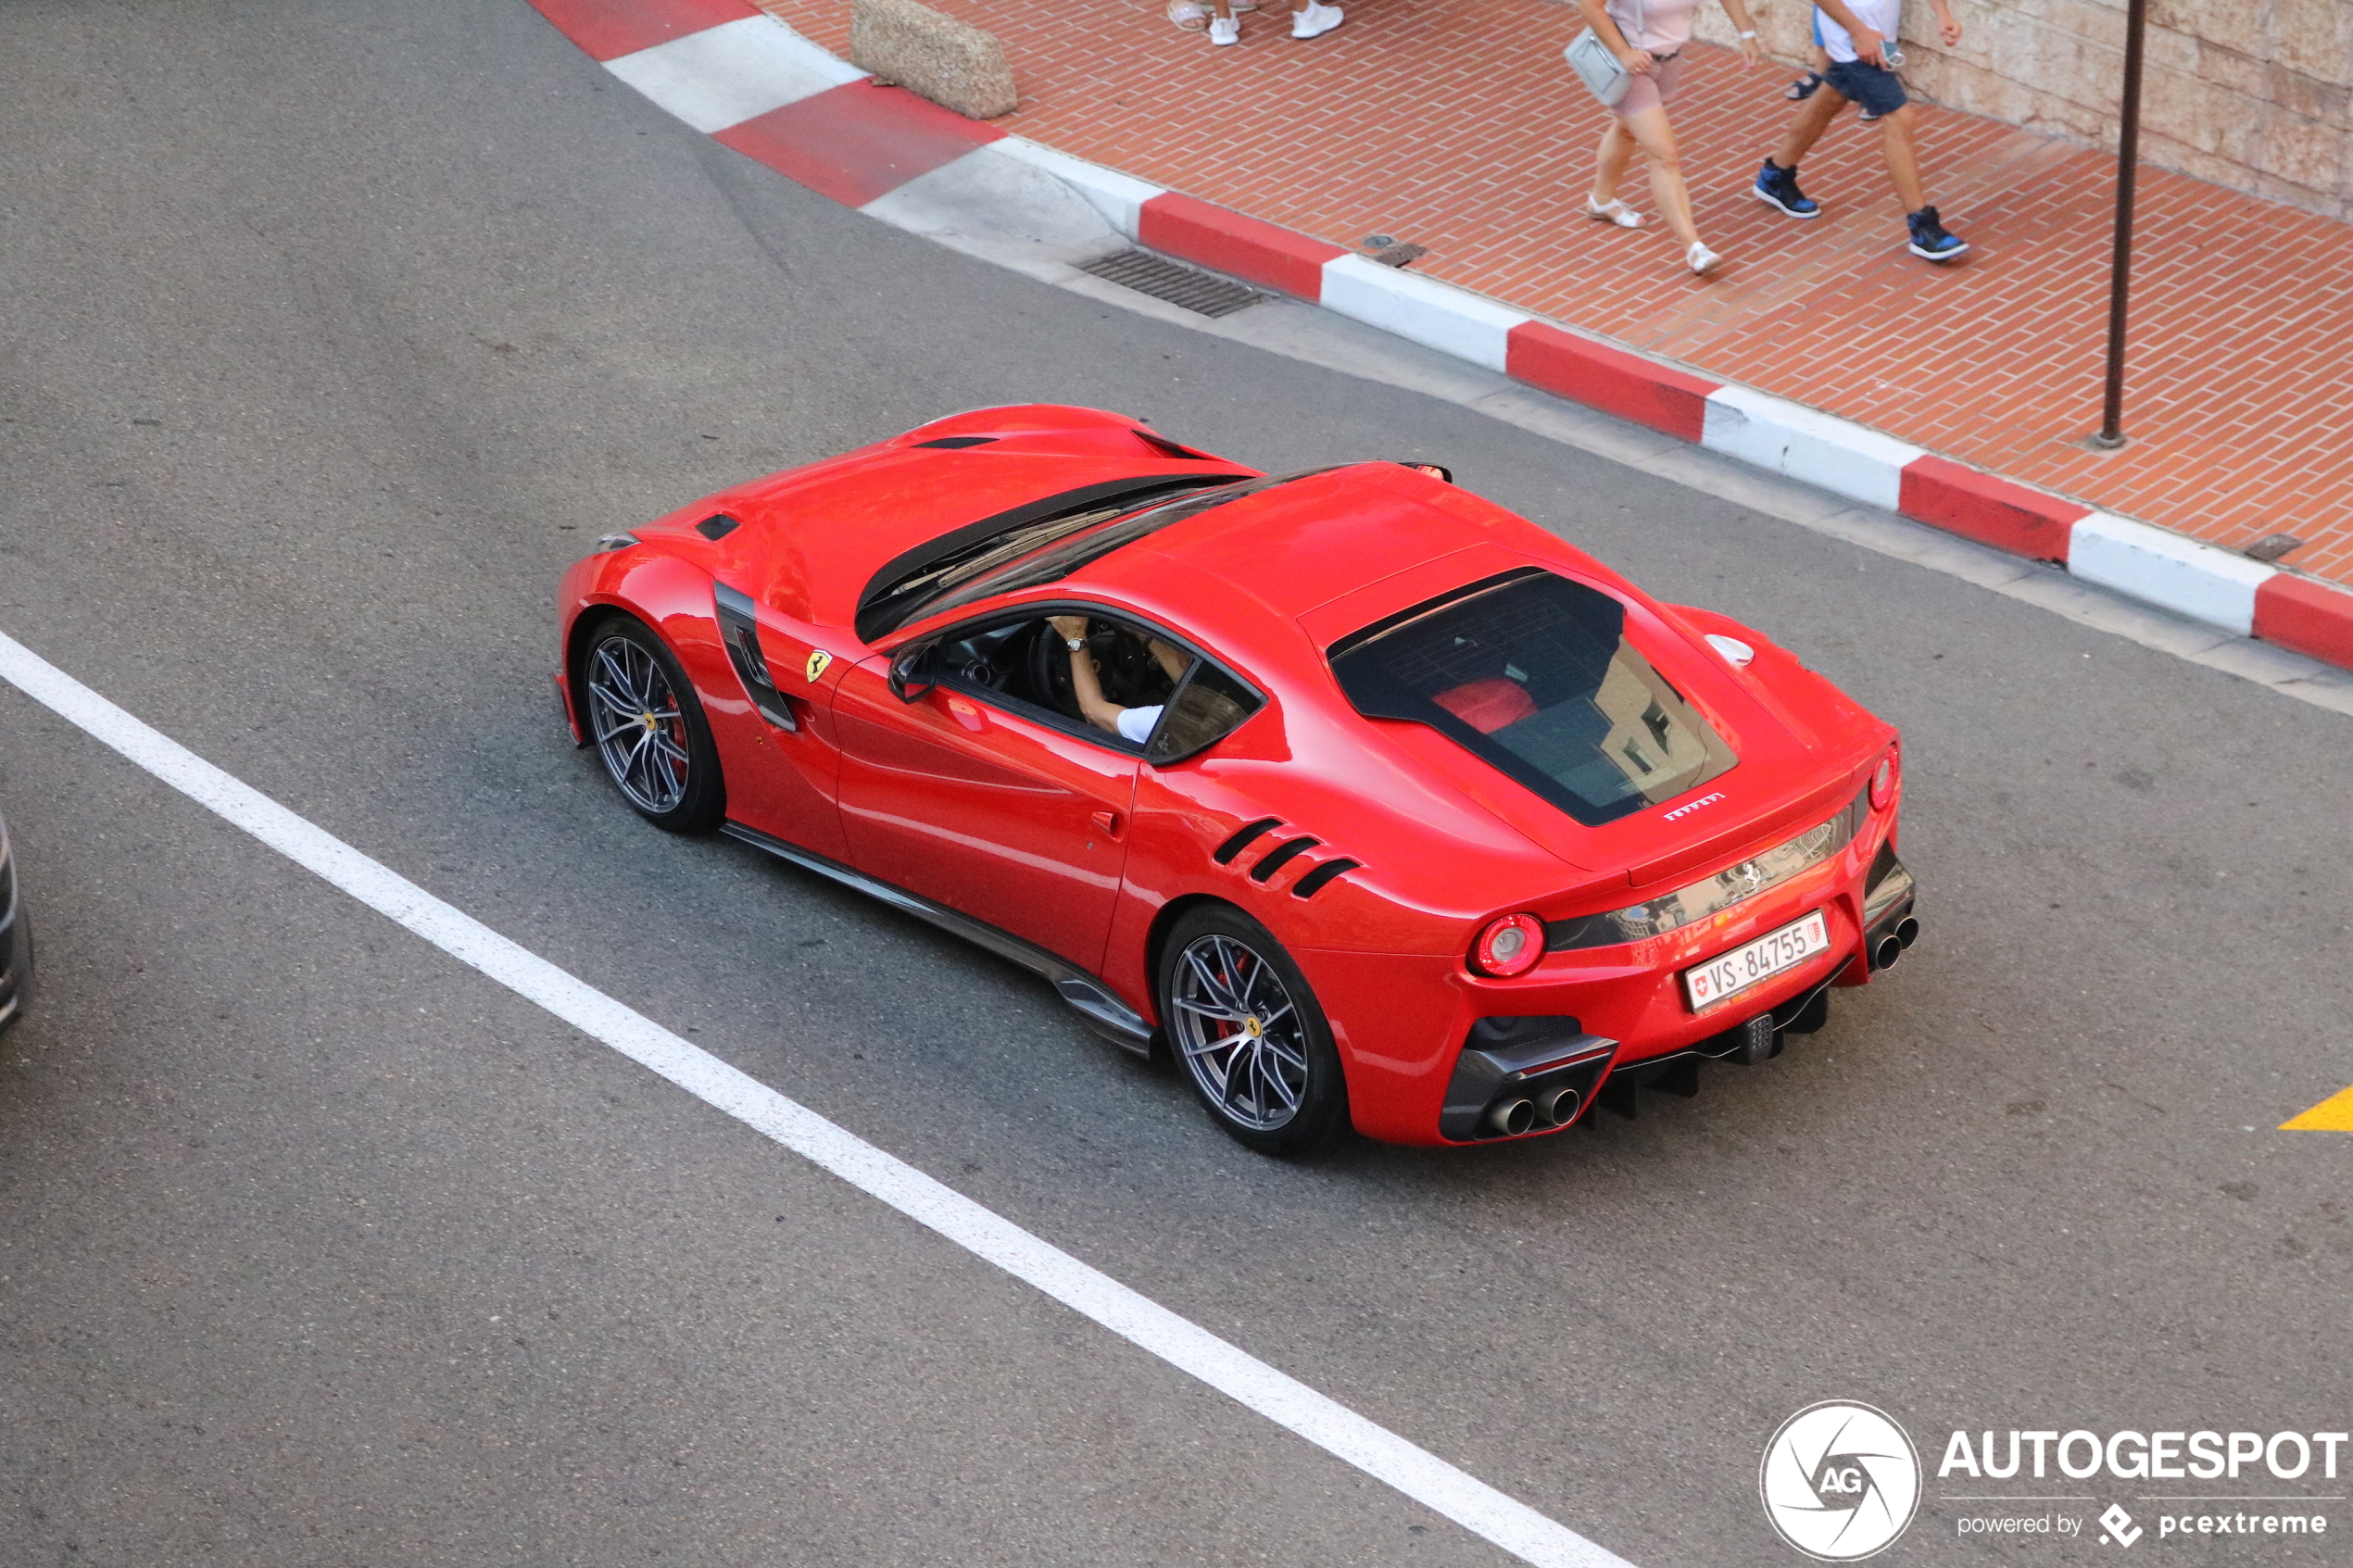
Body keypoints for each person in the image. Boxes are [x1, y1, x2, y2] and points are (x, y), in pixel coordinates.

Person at [1750, 0, 1969, 261]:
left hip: (1871, 37)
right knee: (1901, 116)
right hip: (1852, 42)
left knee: (1831, 97)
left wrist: (1942, 14)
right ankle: (1922, 228)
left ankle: (1776, 175)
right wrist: (1858, 32)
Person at [1578, 0, 1766, 277]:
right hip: (1631, 68)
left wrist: (1746, 34)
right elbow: (1589, 4)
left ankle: (1601, 201)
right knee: (1665, 155)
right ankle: (1695, 248)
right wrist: (1623, 52)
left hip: (1670, 60)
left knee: (1628, 128)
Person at [1049, 616, 1189, 743]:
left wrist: (1075, 636)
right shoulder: (1205, 701)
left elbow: (1093, 713)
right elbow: (1189, 679)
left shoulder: (1163, 723)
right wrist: (1141, 632)